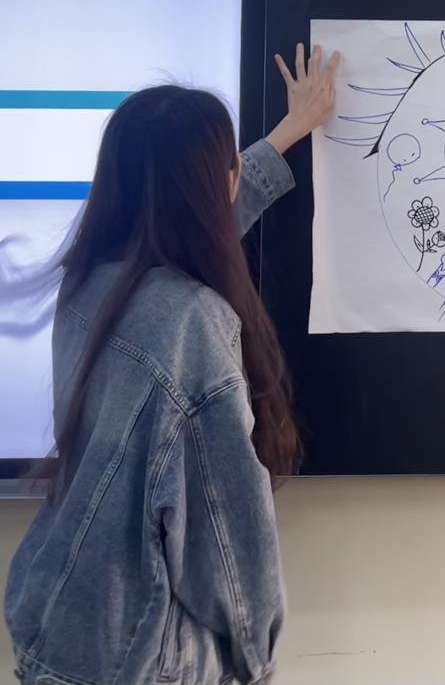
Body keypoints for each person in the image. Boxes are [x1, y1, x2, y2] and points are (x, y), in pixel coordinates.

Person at [4, 43, 340, 685]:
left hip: (55, 623)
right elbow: (225, 530)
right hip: (142, 657)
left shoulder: (90, 282)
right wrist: (258, 657)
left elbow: (204, 224)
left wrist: (287, 134)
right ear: (215, 185)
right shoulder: (191, 322)